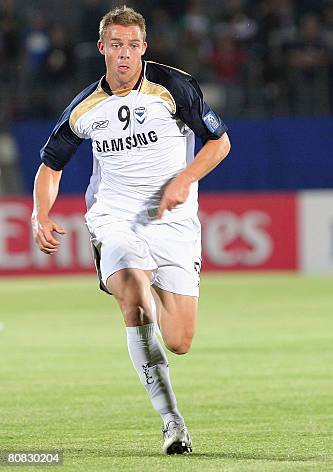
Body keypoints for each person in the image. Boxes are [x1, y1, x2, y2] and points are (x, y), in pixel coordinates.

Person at [31, 6, 230, 455]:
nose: (125, 55)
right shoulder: (85, 107)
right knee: (135, 299)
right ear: (102, 47)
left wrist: (184, 180)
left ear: (145, 47)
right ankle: (173, 424)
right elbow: (50, 166)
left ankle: (145, 290)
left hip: (173, 221)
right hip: (114, 216)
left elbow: (220, 142)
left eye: (133, 45)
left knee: (179, 340)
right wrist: (41, 214)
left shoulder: (174, 86)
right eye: (116, 45)